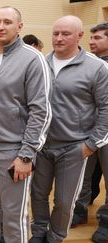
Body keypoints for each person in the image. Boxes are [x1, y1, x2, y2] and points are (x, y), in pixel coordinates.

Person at [30, 16, 108, 243]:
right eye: (56, 33)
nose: (59, 38)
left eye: (65, 34)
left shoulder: (97, 67)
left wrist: (91, 144)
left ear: (79, 36)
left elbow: (105, 108)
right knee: (38, 194)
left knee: (64, 201)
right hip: (42, 145)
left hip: (74, 147)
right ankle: (38, 232)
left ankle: (55, 237)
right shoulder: (41, 63)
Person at [0, 6, 51, 243]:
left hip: (13, 152)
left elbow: (41, 111)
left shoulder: (33, 59)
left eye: (7, 22)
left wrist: (26, 155)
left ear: (19, 26)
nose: (0, 26)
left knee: (13, 215)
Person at [71, 22, 108, 235]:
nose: (91, 41)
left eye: (97, 38)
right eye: (91, 38)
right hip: (86, 129)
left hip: (106, 130)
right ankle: (79, 210)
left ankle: (105, 220)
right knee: (82, 175)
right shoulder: (87, 63)